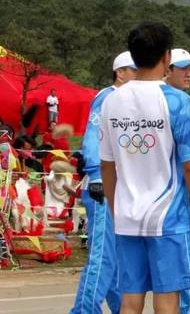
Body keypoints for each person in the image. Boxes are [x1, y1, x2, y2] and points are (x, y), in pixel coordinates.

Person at [100, 22, 190, 314]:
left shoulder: (111, 101)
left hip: (127, 216)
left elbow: (107, 167)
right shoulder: (178, 101)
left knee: (130, 299)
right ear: (166, 57)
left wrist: (115, 209)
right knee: (167, 297)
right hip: (168, 219)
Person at [70, 51, 137, 314]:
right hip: (101, 185)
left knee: (117, 258)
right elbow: (93, 141)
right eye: (133, 71)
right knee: (103, 257)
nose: (138, 76)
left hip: (118, 187)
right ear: (120, 73)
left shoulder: (128, 102)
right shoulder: (108, 97)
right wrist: (98, 177)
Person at [164, 48, 190, 314]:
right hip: (174, 207)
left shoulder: (130, 98)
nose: (188, 73)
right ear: (167, 68)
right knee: (182, 277)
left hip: (136, 208)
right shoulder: (180, 102)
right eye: (182, 67)